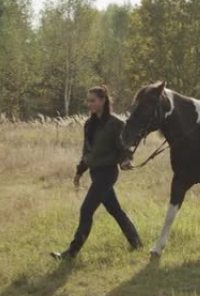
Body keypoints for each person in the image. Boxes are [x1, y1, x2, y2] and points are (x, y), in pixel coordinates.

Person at [51, 86, 142, 260]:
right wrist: (79, 172)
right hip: (95, 172)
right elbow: (87, 152)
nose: (89, 104)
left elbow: (124, 148)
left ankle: (71, 252)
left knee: (86, 210)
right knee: (115, 210)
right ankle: (136, 242)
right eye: (88, 100)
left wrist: (126, 160)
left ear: (103, 100)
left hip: (108, 174)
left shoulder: (116, 124)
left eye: (93, 100)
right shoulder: (89, 124)